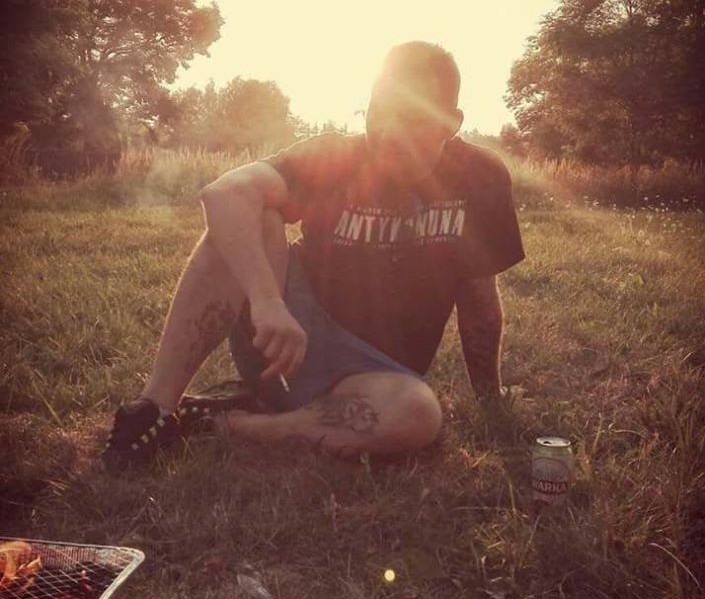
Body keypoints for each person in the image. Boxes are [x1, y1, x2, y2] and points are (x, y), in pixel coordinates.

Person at [102, 41, 525, 467]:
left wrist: (490, 397)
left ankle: (230, 424)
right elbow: (224, 194)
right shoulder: (334, 156)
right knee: (252, 216)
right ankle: (154, 411)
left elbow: (479, 301)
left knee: (418, 413)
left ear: (451, 123)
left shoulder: (479, 177)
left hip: (376, 377)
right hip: (284, 345)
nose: (390, 132)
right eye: (380, 111)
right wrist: (268, 302)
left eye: (413, 118)